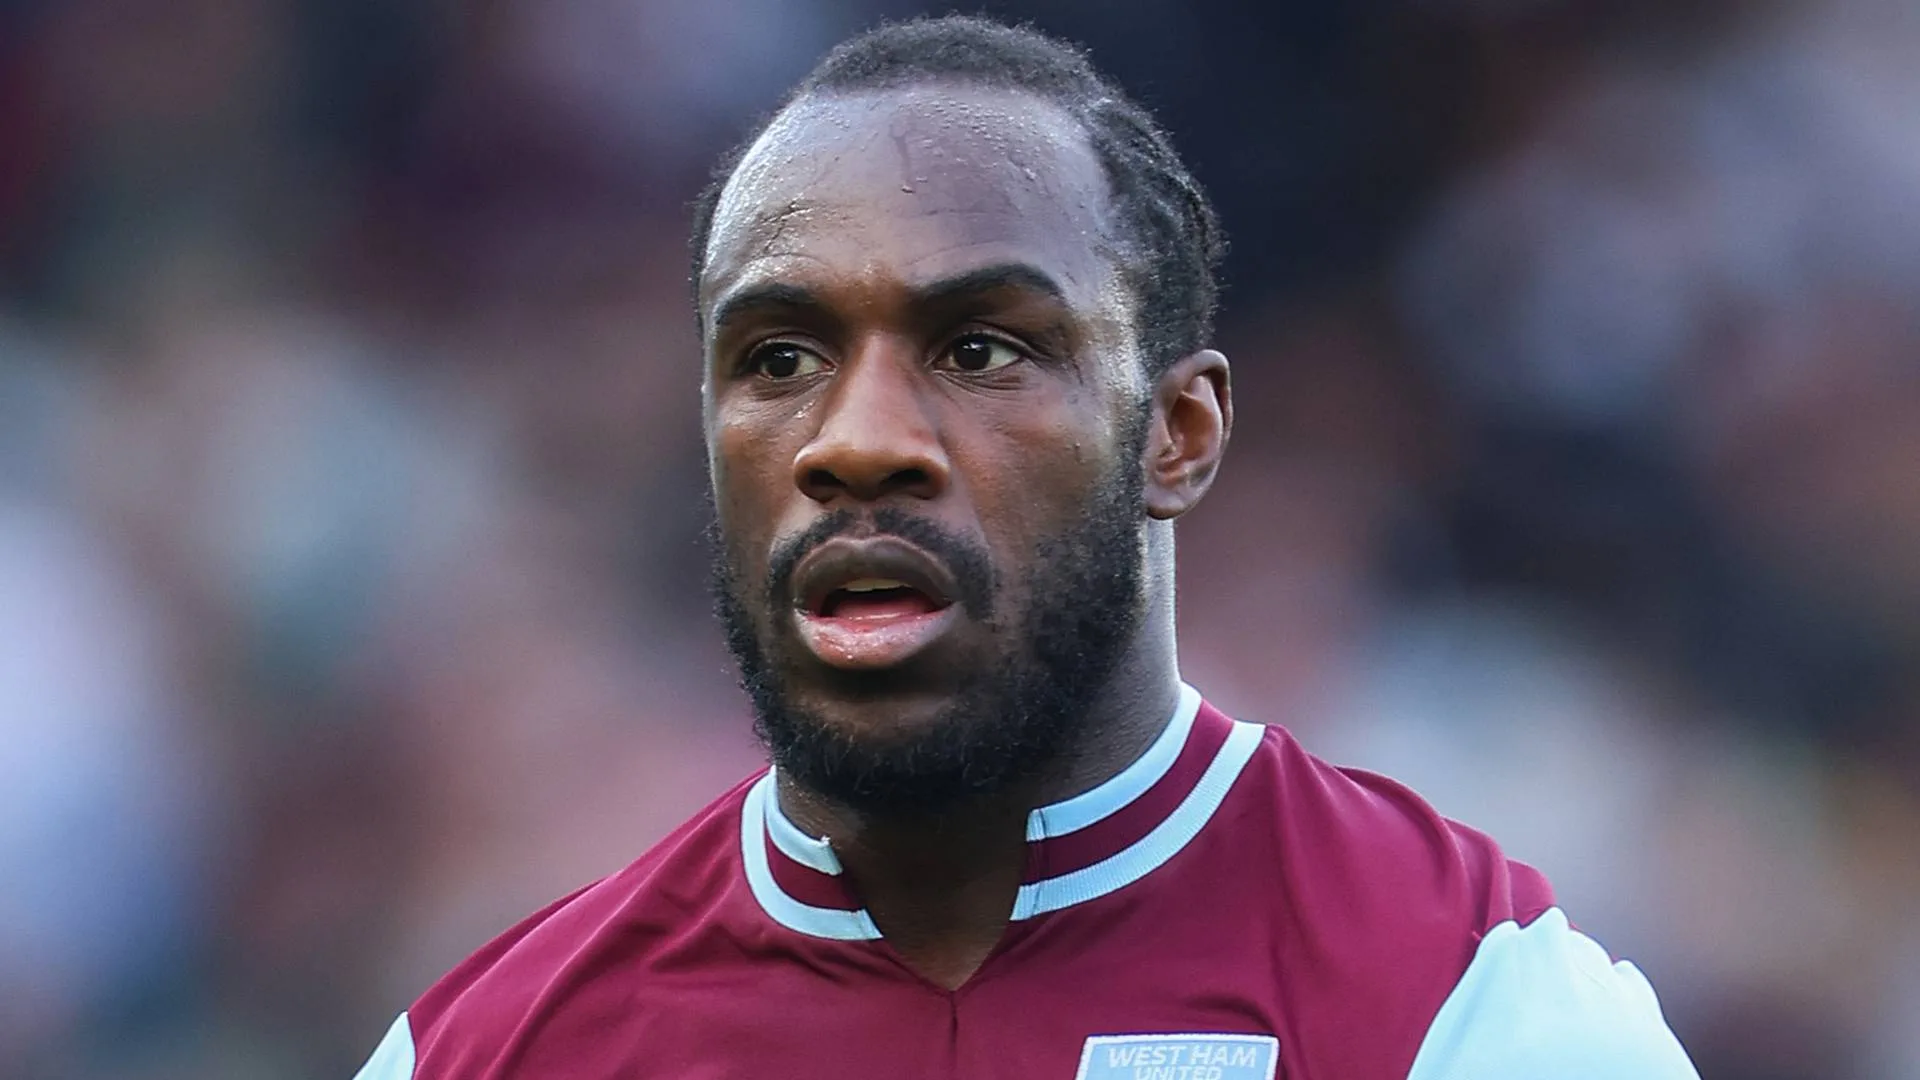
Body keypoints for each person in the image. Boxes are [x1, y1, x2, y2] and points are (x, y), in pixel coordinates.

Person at [353, 15, 1699, 1078]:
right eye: (779, 359)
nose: (856, 441)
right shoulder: (491, 1052)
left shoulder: (1470, 1011)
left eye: (982, 348)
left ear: (1178, 434)